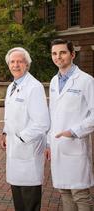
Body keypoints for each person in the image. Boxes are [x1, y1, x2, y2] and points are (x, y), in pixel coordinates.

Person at [45, 39, 94, 211]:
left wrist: (73, 131)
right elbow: (52, 113)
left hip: (75, 145)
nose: (58, 57)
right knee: (64, 191)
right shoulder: (53, 82)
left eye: (62, 52)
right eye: (54, 53)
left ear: (72, 54)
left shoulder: (86, 81)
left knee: (80, 194)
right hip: (58, 146)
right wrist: (49, 143)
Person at [1, 47, 50, 211]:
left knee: (30, 202)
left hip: (28, 150)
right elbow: (11, 116)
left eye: (20, 61)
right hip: (14, 151)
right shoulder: (11, 87)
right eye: (12, 62)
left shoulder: (34, 87)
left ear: (27, 65)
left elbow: (42, 122)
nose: (15, 65)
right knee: (19, 200)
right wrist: (5, 133)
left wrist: (21, 138)